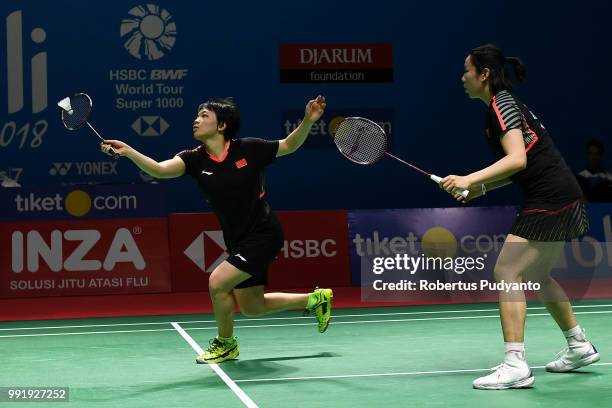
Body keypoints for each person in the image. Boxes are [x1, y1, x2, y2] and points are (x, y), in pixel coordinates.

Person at [100, 96, 332, 364]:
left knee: (218, 282)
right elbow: (160, 170)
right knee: (251, 306)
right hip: (237, 239)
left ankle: (225, 344)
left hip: (263, 234)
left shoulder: (249, 149)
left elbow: (289, 145)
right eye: (197, 115)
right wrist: (128, 151)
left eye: (204, 115)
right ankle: (315, 300)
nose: (196, 120)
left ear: (221, 125)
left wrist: (307, 120)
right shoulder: (193, 159)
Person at [440, 44, 599, 390]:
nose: (461, 77)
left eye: (467, 70)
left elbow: (517, 160)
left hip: (551, 195)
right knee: (538, 274)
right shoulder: (498, 109)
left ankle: (515, 364)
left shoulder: (502, 105)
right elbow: (518, 166)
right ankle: (579, 345)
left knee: (506, 270)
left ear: (484, 75)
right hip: (561, 192)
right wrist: (479, 190)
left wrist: (469, 178)